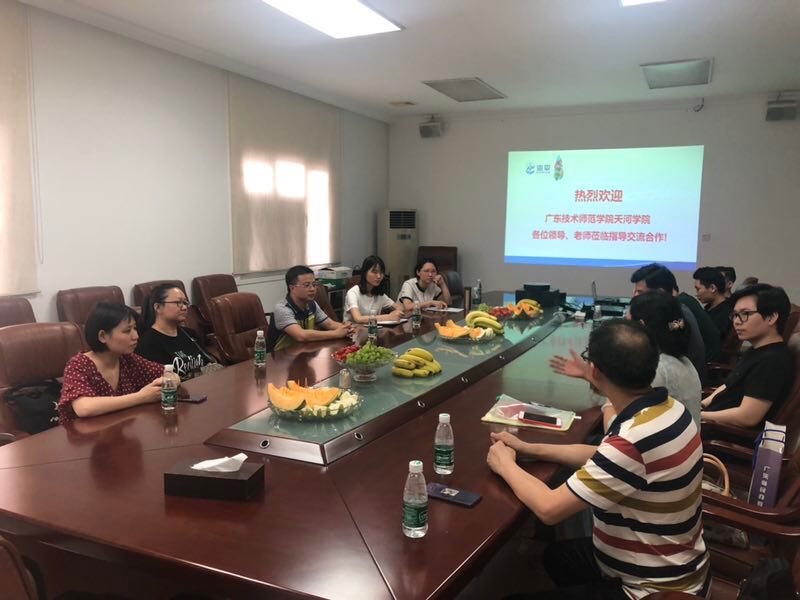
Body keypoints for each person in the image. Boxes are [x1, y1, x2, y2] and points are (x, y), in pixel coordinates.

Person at [489, 320, 709, 600]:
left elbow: (549, 508)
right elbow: (603, 455)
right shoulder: (668, 409)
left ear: (594, 370)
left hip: (650, 589)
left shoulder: (632, 441)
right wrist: (531, 448)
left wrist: (504, 464)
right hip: (675, 563)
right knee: (557, 558)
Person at [551, 293, 702, 428]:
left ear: (641, 326)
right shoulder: (681, 361)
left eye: (627, 322)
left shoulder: (657, 370)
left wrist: (606, 399)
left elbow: (616, 427)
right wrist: (591, 376)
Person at [702, 284, 795, 428]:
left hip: (724, 431)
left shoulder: (772, 361)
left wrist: (699, 416)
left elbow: (747, 417)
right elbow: (728, 385)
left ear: (771, 317)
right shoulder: (757, 349)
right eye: (735, 315)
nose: (736, 321)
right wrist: (702, 404)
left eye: (745, 314)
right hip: (712, 420)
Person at [58, 302, 166, 423]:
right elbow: (84, 408)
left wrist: (171, 379)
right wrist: (141, 397)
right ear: (102, 336)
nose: (136, 336)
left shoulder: (127, 359)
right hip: (84, 433)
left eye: (135, 328)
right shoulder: (79, 365)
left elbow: (166, 372)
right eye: (127, 331)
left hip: (118, 429)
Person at [629, 263, 717, 371]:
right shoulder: (677, 308)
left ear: (659, 293)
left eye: (640, 292)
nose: (635, 296)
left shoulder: (678, 314)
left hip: (684, 374)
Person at [135, 283, 219, 379]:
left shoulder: (190, 334)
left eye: (185, 303)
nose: (184, 307)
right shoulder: (147, 343)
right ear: (158, 307)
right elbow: (162, 380)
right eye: (178, 303)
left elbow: (210, 363)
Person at [266, 265, 353, 352]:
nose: (312, 289)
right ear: (292, 288)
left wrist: (346, 328)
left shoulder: (312, 304)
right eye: (307, 285)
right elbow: (301, 335)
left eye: (314, 284)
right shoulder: (282, 309)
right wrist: (336, 334)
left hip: (304, 353)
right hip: (280, 356)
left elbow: (330, 324)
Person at [344, 255, 405, 324]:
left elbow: (400, 307)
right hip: (354, 329)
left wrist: (397, 312)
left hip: (373, 329)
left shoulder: (379, 294)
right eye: (374, 272)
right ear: (365, 272)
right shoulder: (353, 292)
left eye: (381, 272)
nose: (379, 276)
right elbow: (358, 318)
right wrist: (389, 317)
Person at [693, 266, 734, 342]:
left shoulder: (726, 312)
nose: (696, 293)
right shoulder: (709, 307)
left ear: (712, 288)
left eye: (698, 289)